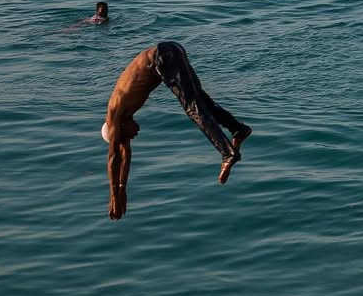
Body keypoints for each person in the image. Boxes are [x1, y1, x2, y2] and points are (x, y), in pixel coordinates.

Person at [103, 42, 252, 219]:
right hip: (171, 51)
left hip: (164, 57)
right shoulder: (125, 113)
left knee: (193, 108)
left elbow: (114, 156)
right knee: (202, 102)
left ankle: (227, 153)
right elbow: (125, 155)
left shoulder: (114, 114)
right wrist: (122, 189)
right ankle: (238, 130)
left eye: (128, 136)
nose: (135, 135)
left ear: (117, 130)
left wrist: (113, 196)